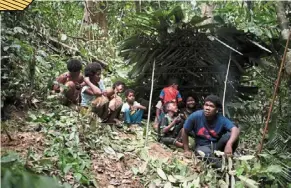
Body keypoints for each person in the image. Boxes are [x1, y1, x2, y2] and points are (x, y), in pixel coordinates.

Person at [182, 95, 239, 167]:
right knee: (206, 154)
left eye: (211, 106)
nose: (207, 108)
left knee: (232, 135)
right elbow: (184, 130)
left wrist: (229, 144)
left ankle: (227, 156)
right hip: (202, 146)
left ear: (217, 109)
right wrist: (186, 150)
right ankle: (223, 167)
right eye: (206, 105)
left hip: (216, 145)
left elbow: (235, 129)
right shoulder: (195, 116)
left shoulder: (221, 119)